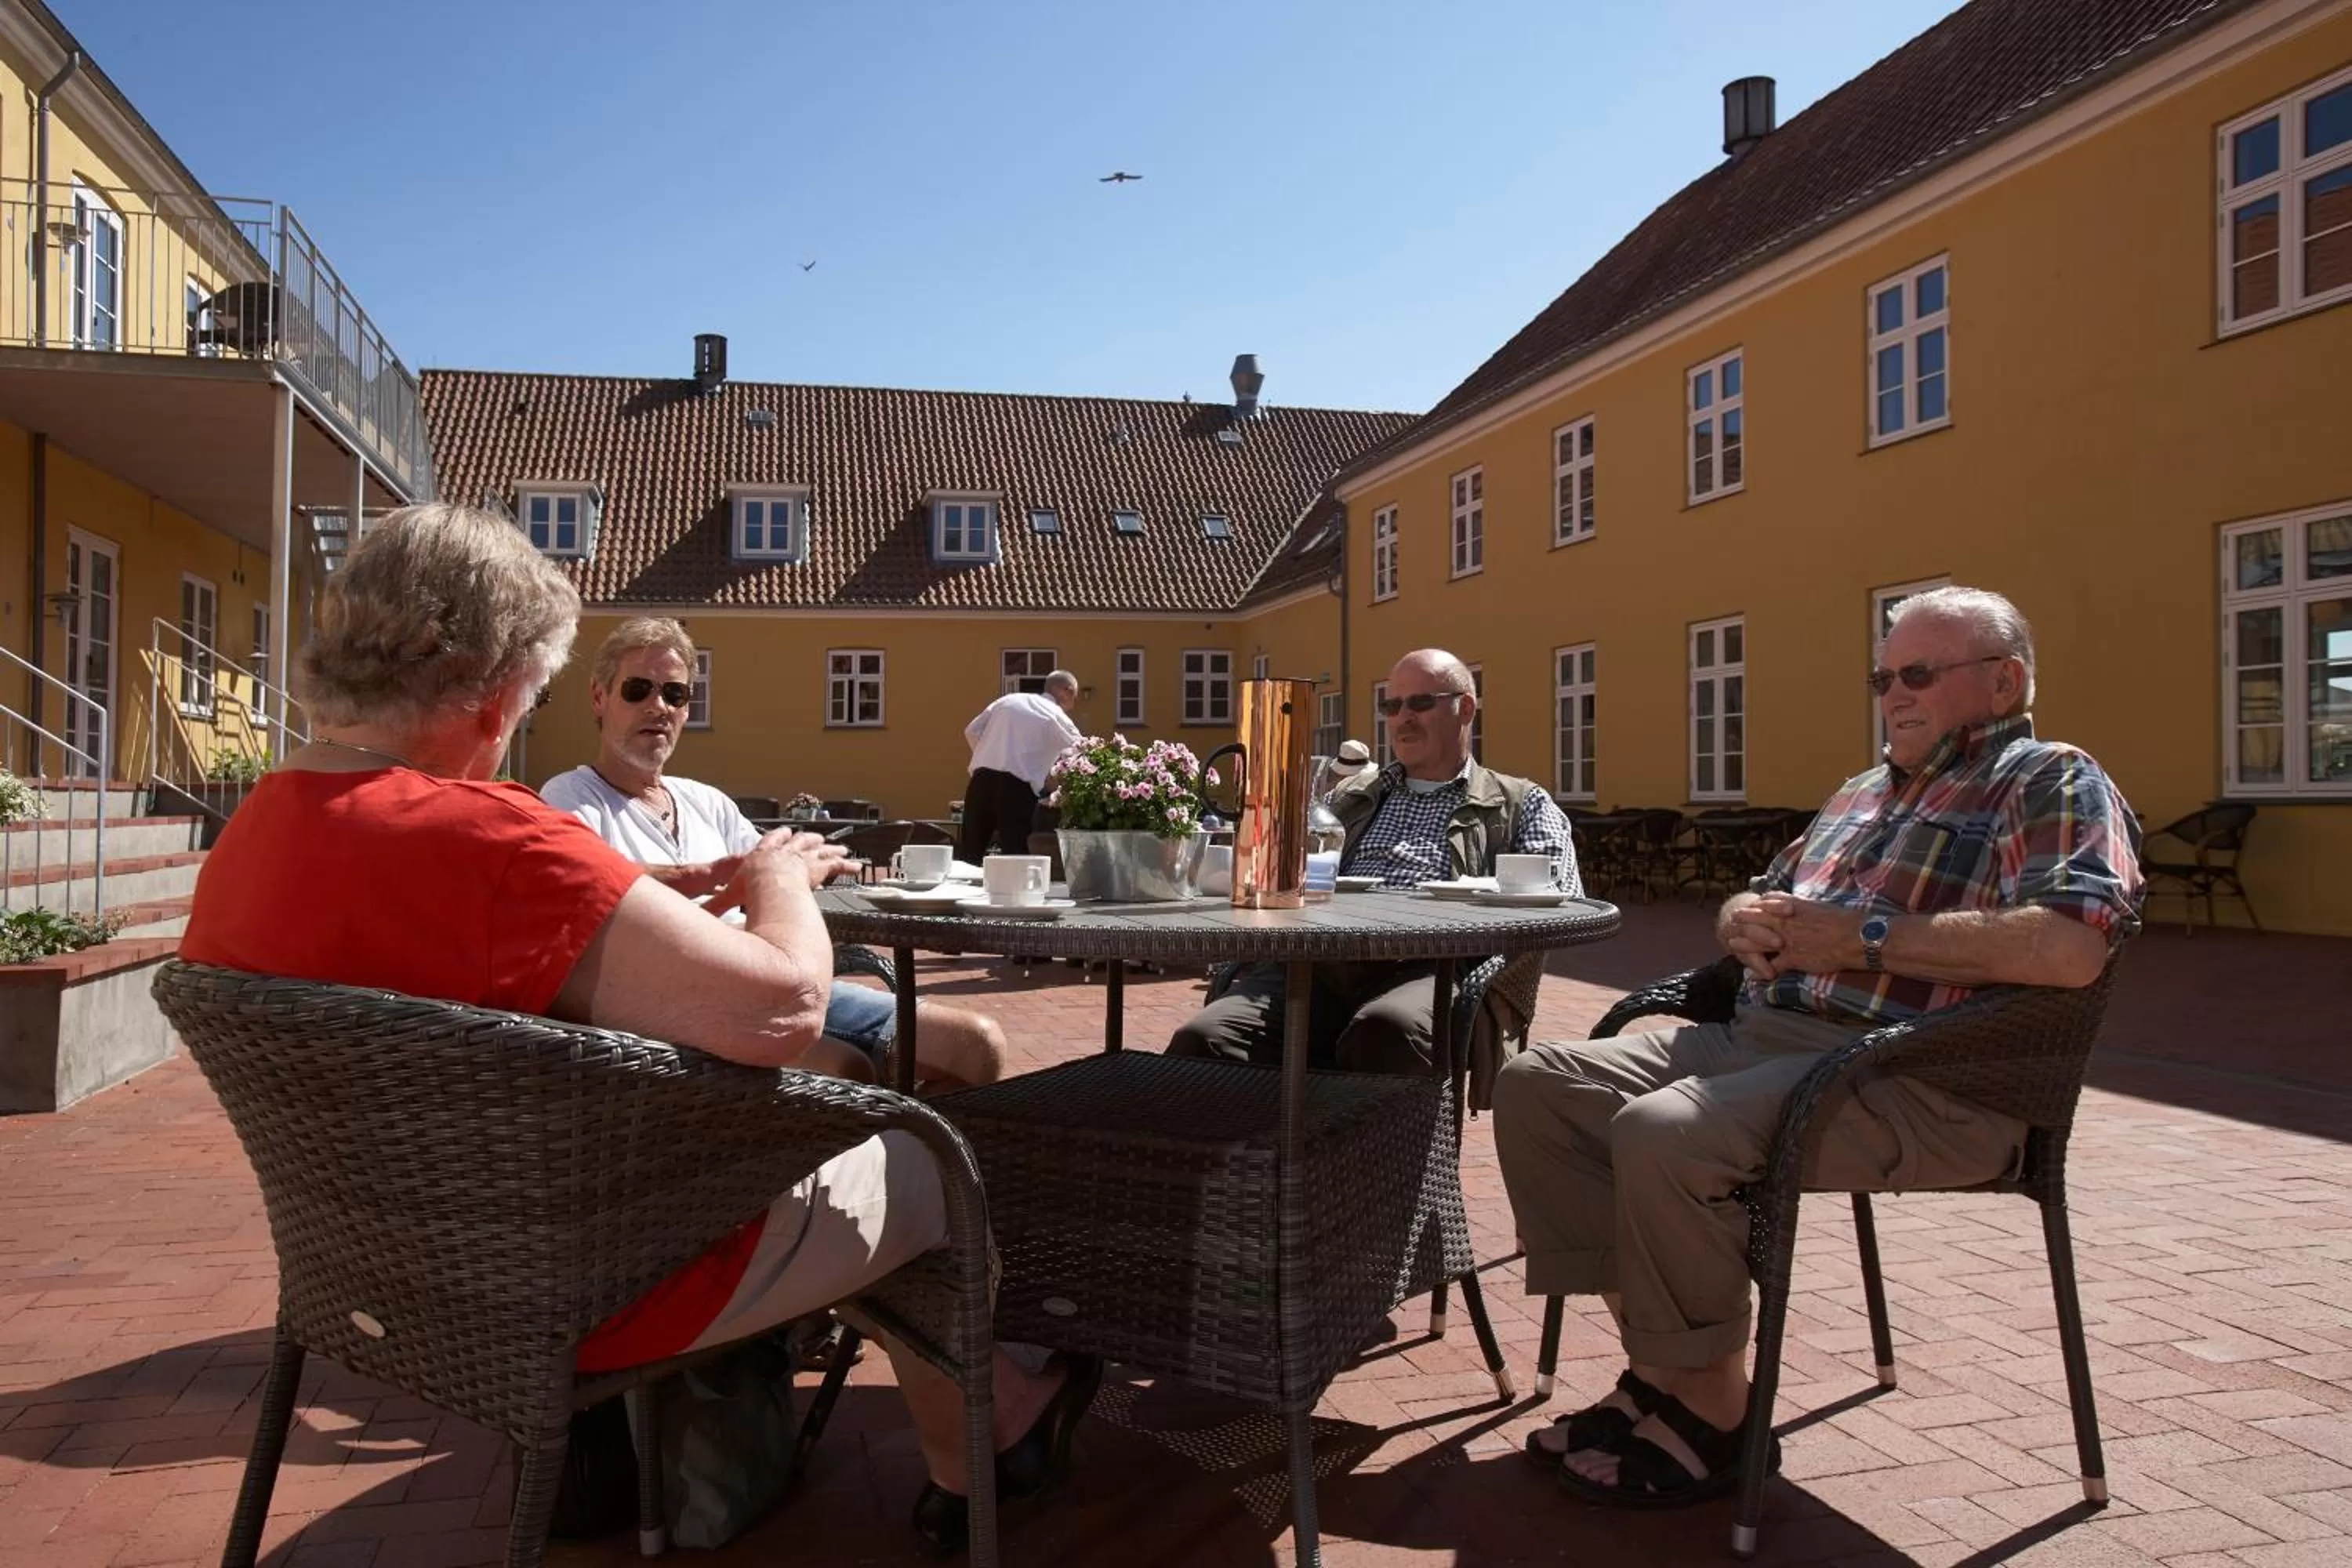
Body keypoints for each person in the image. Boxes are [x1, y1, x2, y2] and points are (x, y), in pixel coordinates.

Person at [176, 504, 1094, 1555]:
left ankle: (977, 1411)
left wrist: (630, 888)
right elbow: (783, 1005)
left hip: (399, 1281)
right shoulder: (497, 838)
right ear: (494, 687)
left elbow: (469, 924)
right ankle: (987, 1437)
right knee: (934, 1151)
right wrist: (776, 878)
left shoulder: (259, 828)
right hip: (604, 1278)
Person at [1494, 586, 2143, 1508]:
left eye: (1919, 673)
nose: (1893, 693)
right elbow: (1761, 894)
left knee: (1665, 1131)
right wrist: (1739, 920)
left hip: (1916, 1070)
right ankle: (1663, 1371)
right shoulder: (1861, 791)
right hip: (1765, 1038)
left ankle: (1716, 1413)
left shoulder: (2050, 778)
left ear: (2005, 681)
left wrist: (1862, 938)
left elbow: (2070, 947)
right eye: (1884, 676)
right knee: (1537, 1086)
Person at [543, 617, 1004, 1091]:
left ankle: (919, 1164)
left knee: (975, 1045)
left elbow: (777, 870)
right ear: (600, 697)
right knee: (848, 1071)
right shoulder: (571, 799)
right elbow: (591, 888)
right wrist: (709, 875)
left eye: (674, 694)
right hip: (680, 1012)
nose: (658, 706)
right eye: (638, 690)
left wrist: (806, 870)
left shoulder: (708, 802)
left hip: (775, 988)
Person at [1168, 648, 1577, 1091]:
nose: (1403, 717)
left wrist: (1479, 909)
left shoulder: (1520, 800)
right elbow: (1287, 867)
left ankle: (1373, 1159)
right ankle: (1258, 1157)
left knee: (1387, 1033)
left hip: (1431, 968)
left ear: (1465, 708)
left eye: (1420, 703)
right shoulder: (1352, 796)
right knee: (1204, 1040)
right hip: (1317, 962)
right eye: (1391, 705)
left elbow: (1559, 896)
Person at [959, 672, 1081, 863]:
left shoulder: (1007, 701)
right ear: (1068, 691)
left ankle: (959, 892)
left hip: (981, 781)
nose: (1074, 703)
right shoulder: (1057, 716)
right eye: (1075, 697)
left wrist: (988, 754)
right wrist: (1051, 777)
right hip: (1016, 789)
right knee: (1015, 857)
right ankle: (1013, 893)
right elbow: (1078, 754)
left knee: (970, 853)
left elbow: (971, 731)